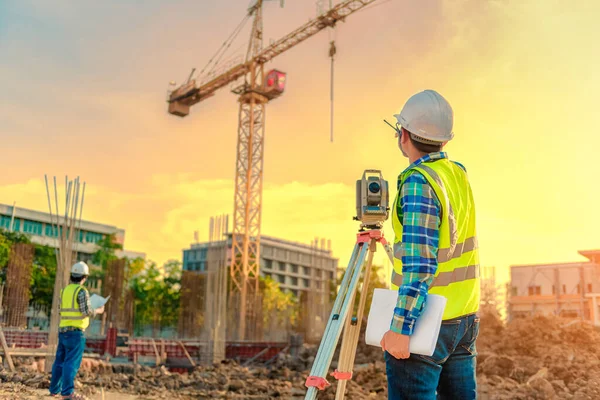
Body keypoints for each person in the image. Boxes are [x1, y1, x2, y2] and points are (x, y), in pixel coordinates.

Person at [380, 90, 480, 400]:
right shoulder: (457, 174)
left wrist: (400, 328)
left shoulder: (418, 181)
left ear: (403, 135)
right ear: (445, 140)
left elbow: (421, 264)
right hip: (464, 318)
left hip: (427, 322)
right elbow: (447, 245)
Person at [49, 261, 105, 399]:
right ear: (84, 277)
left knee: (59, 361)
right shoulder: (81, 291)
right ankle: (67, 393)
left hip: (63, 330)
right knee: (71, 363)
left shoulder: (64, 290)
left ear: (72, 276)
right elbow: (86, 311)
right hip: (76, 332)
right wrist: (98, 310)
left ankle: (54, 390)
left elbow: (60, 309)